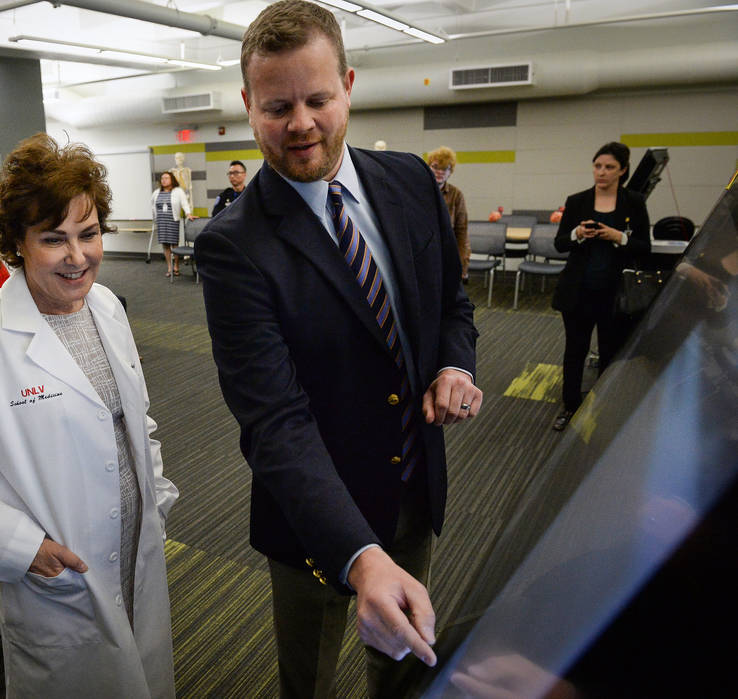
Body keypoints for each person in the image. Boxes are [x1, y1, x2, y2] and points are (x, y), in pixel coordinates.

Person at [193, 2, 481, 696]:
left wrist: (453, 362)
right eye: (277, 105)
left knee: (405, 666)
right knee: (310, 681)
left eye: (318, 99)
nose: (301, 123)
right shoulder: (233, 247)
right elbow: (274, 422)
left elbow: (451, 306)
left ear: (348, 85)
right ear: (247, 104)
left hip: (413, 488)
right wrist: (358, 555)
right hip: (313, 528)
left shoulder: (412, 183)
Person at [0, 133, 178, 697]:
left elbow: (134, 419)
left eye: (89, 234)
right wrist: (23, 551)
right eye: (54, 239)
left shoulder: (106, 307)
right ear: (16, 244)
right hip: (60, 573)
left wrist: (157, 497)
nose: (78, 257)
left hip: (135, 544)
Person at [551, 141, 650, 431]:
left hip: (614, 294)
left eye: (609, 167)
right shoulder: (577, 200)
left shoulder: (634, 202)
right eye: (597, 166)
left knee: (610, 353)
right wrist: (578, 233)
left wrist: (618, 236)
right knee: (575, 351)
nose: (602, 172)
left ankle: (604, 409)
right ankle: (570, 407)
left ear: (623, 171)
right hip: (578, 291)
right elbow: (560, 243)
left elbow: (645, 247)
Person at [426, 146, 470, 282]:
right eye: (435, 167)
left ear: (450, 172)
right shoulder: (418, 191)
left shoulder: (456, 195)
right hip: (424, 252)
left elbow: (461, 231)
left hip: (446, 252)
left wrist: (463, 264)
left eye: (445, 169)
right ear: (428, 167)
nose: (440, 172)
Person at [150, 170, 194, 278]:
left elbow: (184, 203)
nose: (163, 180)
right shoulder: (156, 192)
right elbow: (152, 205)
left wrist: (188, 214)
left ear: (172, 180)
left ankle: (176, 266)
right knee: (165, 244)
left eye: (166, 178)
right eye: (162, 178)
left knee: (174, 244)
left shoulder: (178, 191)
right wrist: (155, 217)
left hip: (172, 220)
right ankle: (169, 267)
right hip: (161, 221)